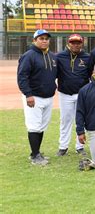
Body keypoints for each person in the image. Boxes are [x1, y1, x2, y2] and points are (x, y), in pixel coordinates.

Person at [17, 29, 57, 166]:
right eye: (41, 38)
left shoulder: (52, 56)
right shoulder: (29, 56)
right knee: (34, 126)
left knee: (41, 126)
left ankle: (37, 152)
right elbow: (22, 77)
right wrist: (28, 94)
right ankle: (35, 156)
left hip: (48, 97)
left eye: (46, 38)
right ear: (34, 40)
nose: (44, 40)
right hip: (34, 97)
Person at [55, 34, 90, 156]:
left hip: (82, 94)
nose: (75, 45)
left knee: (81, 120)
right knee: (65, 120)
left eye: (78, 42)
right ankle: (63, 146)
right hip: (65, 93)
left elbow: (92, 75)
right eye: (73, 42)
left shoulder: (87, 57)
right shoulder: (59, 56)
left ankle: (80, 146)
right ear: (68, 43)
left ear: (82, 44)